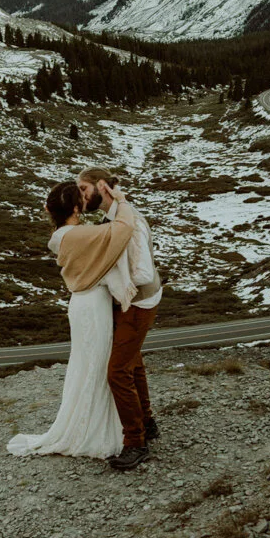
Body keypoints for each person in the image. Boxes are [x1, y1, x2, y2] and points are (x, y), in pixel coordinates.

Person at [6, 178, 136, 461]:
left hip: (83, 304)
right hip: (93, 307)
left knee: (87, 364)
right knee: (97, 366)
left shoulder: (64, 235)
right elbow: (123, 229)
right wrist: (121, 200)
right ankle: (95, 432)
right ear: (76, 209)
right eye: (81, 199)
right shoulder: (80, 234)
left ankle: (94, 423)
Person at [78, 167, 162, 471]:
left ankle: (135, 442)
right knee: (133, 363)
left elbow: (141, 273)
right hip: (132, 301)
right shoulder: (117, 215)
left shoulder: (131, 221)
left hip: (138, 303)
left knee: (117, 373)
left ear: (102, 186)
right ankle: (147, 422)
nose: (81, 196)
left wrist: (104, 277)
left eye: (84, 189)